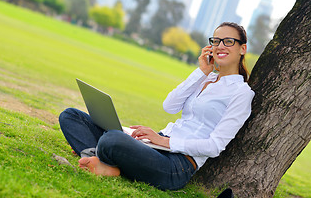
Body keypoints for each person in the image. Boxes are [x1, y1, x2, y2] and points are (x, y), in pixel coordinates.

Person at [59, 21, 255, 191]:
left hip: (177, 164)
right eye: (215, 41)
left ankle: (98, 157)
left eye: (228, 41)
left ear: (242, 48)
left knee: (112, 140)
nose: (220, 46)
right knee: (71, 116)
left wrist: (163, 142)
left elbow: (214, 146)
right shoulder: (206, 77)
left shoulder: (241, 93)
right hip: (156, 145)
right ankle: (100, 159)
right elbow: (170, 106)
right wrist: (201, 71)